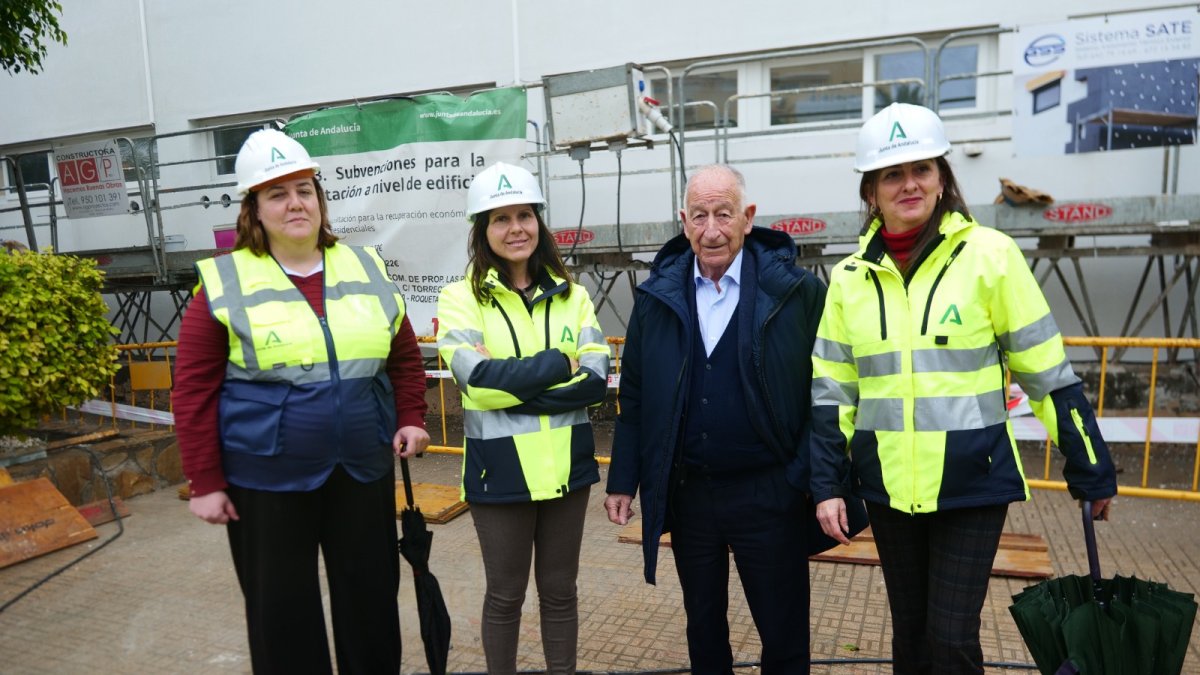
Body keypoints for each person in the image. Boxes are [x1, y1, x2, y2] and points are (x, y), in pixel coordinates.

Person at [810, 102, 1118, 675]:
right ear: (871, 191)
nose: (909, 185)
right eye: (892, 175)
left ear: (942, 179)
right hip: (888, 488)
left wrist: (1091, 464)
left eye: (922, 169)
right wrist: (827, 484)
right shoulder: (849, 279)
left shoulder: (990, 256)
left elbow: (1048, 376)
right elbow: (832, 393)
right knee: (910, 637)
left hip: (972, 484)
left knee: (950, 639)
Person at [172, 128, 430, 674]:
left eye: (304, 189)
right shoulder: (223, 282)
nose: (295, 203)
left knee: (371, 608)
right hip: (265, 479)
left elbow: (404, 357)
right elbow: (192, 391)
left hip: (361, 470)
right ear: (254, 210)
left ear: (320, 198)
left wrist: (411, 417)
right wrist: (206, 481)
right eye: (277, 193)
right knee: (282, 617)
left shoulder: (366, 268)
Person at [605, 164, 860, 674]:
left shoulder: (797, 293)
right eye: (699, 215)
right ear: (683, 221)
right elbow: (634, 395)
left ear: (748, 218)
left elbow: (829, 389)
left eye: (724, 214)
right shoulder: (656, 300)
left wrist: (806, 478)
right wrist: (623, 480)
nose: (712, 230)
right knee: (703, 628)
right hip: (690, 494)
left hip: (770, 493)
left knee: (782, 630)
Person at [435, 161, 609, 675]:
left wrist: (512, 387)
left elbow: (597, 382)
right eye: (500, 218)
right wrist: (559, 363)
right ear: (482, 230)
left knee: (560, 594)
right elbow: (478, 380)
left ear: (539, 222)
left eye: (524, 215)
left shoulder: (573, 296)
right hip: (500, 472)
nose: (515, 228)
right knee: (505, 597)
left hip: (566, 473)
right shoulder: (460, 297)